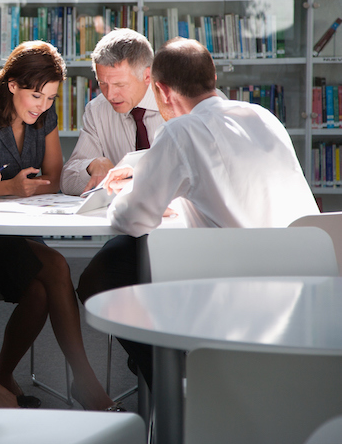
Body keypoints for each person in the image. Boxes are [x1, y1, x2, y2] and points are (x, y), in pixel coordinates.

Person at [77, 37, 320, 386]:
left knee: (101, 277)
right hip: (300, 277)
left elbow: (130, 219)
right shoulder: (263, 117)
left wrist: (139, 187)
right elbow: (232, 186)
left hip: (229, 285)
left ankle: (173, 379)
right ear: (213, 79)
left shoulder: (181, 130)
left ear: (160, 90)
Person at [0, 40, 119, 412]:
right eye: (36, 95)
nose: (43, 106)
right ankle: (85, 382)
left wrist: (28, 187)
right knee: (56, 266)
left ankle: (1, 379)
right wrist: (9, 188)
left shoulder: (45, 121)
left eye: (50, 98)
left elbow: (56, 177)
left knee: (39, 293)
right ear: (12, 85)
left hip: (20, 238)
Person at [60, 28, 162, 196]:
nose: (109, 95)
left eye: (120, 85)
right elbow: (67, 181)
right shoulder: (98, 110)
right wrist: (92, 165)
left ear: (147, 76)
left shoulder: (177, 102)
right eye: (103, 84)